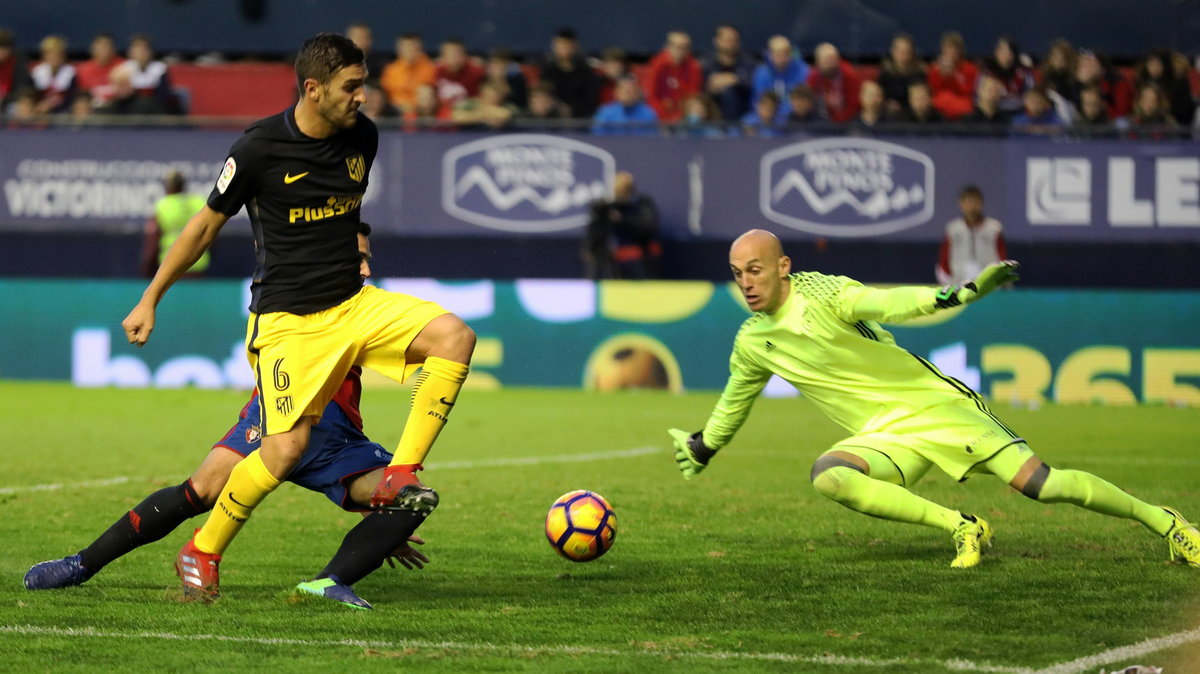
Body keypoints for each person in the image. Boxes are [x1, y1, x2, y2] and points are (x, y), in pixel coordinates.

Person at [120, 33, 476, 602]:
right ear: (313, 89)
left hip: (352, 304)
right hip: (288, 321)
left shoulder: (364, 137)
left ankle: (402, 472)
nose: (363, 97)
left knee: (455, 335)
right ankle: (202, 550)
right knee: (283, 450)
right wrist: (150, 298)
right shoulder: (259, 148)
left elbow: (345, 216)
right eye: (351, 86)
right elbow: (205, 225)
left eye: (364, 84)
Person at [669, 229, 1200, 569]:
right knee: (830, 474)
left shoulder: (825, 294)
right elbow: (735, 400)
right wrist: (704, 446)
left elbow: (892, 302)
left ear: (782, 266)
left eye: (754, 270)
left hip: (937, 408)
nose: (746, 283)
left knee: (1043, 485)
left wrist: (957, 293)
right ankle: (963, 526)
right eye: (737, 274)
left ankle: (1169, 524)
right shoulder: (752, 341)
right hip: (886, 435)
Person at [26, 224, 430, 610]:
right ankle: (81, 564)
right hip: (275, 415)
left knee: (412, 497)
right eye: (357, 257)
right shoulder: (288, 296)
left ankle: (328, 583)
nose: (366, 268)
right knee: (199, 491)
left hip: (336, 436)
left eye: (367, 258)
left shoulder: (369, 309)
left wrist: (382, 526)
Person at [582, 171, 660, 280]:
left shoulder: (641, 204)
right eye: (618, 188)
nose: (620, 190)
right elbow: (594, 229)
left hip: (634, 257)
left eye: (624, 188)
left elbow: (647, 229)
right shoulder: (603, 206)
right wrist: (590, 247)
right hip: (606, 258)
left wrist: (622, 219)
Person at [140, 171, 210, 278]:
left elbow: (152, 242)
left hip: (170, 266)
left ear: (167, 187)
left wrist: (147, 267)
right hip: (197, 264)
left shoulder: (163, 206)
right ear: (183, 185)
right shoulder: (199, 203)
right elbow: (211, 234)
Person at [936, 185, 1006, 286]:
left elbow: (1002, 259)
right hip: (958, 285)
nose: (972, 207)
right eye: (968, 202)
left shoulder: (994, 228)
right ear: (961, 204)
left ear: (981, 203)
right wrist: (947, 284)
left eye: (975, 202)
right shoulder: (953, 229)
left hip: (988, 286)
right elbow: (944, 260)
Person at [641, 30, 703, 123]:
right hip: (660, 114)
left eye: (684, 48)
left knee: (696, 111)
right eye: (677, 47)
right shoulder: (657, 65)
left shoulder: (693, 67)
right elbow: (651, 96)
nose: (680, 51)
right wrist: (664, 117)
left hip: (683, 116)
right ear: (667, 47)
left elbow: (692, 96)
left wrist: (679, 117)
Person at [539, 27, 599, 118]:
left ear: (575, 46)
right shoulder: (547, 72)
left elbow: (590, 100)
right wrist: (558, 107)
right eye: (560, 45)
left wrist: (572, 109)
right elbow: (544, 94)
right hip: (551, 120)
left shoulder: (586, 72)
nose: (564, 49)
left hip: (580, 121)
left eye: (567, 45)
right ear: (554, 46)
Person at [700, 24, 755, 122]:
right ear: (716, 41)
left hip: (741, 115)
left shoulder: (748, 63)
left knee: (729, 93)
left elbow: (751, 86)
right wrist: (709, 88)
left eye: (734, 40)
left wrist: (734, 79)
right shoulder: (706, 65)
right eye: (727, 40)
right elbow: (700, 90)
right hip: (710, 118)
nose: (731, 43)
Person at [379, 33, 437, 113]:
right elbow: (386, 95)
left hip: (421, 111)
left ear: (420, 49)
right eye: (407, 47)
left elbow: (432, 95)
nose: (410, 50)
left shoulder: (430, 68)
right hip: (396, 111)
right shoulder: (391, 70)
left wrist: (413, 106)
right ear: (399, 49)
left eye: (414, 47)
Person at [751, 35, 808, 116]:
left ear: (790, 54)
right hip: (768, 116)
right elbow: (758, 100)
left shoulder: (803, 71)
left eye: (785, 54)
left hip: (793, 117)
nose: (782, 58)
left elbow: (803, 100)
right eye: (777, 54)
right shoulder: (762, 73)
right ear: (770, 55)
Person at [926, 31, 977, 120]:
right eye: (948, 48)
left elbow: (968, 91)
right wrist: (941, 75)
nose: (951, 52)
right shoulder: (934, 69)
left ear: (960, 50)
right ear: (943, 49)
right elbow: (933, 91)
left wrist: (954, 75)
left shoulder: (970, 69)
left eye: (955, 48)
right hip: (939, 111)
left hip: (963, 110)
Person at [805, 42, 860, 123]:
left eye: (832, 60)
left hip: (846, 121)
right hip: (819, 121)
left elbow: (854, 105)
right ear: (818, 62)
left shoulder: (849, 75)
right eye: (826, 61)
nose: (830, 65)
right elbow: (808, 100)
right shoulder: (814, 77)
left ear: (838, 60)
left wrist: (836, 121)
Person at [877, 32, 925, 119]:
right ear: (893, 51)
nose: (903, 55)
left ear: (912, 53)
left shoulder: (918, 74)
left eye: (907, 51)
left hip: (913, 111)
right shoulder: (885, 73)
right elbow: (879, 94)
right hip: (890, 112)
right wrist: (887, 103)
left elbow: (922, 95)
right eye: (900, 51)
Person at [591, 75, 658, 136]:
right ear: (616, 92)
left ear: (638, 94)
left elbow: (651, 139)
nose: (627, 94)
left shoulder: (648, 114)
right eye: (624, 91)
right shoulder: (605, 112)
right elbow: (598, 136)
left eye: (631, 91)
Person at [74, 33, 124, 109]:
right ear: (93, 48)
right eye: (101, 45)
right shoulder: (83, 69)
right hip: (93, 110)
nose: (105, 48)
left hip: (118, 108)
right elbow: (82, 95)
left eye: (108, 45)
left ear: (114, 48)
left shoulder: (123, 66)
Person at [31, 34, 76, 114]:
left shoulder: (71, 73)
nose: (54, 57)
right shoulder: (37, 72)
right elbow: (31, 95)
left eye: (57, 54)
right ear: (44, 56)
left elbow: (71, 98)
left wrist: (51, 106)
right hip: (39, 112)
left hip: (64, 112)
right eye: (50, 54)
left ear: (63, 56)